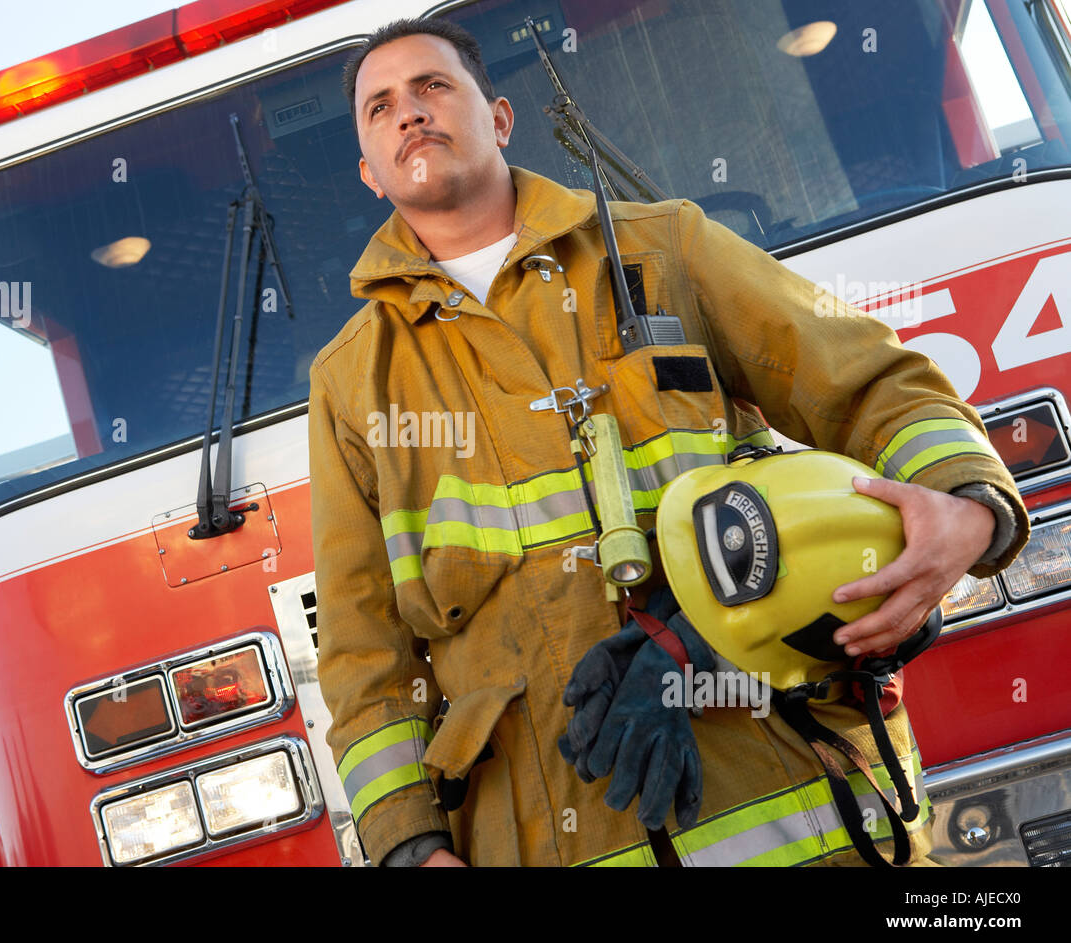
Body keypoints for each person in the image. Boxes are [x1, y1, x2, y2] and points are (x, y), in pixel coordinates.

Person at [307, 17, 1028, 867]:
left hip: (794, 784)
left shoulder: (666, 246)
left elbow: (866, 377)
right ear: (367, 169)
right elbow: (364, 649)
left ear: (500, 118)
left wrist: (971, 505)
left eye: (433, 86)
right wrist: (408, 848)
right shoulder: (351, 380)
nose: (409, 114)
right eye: (380, 106)